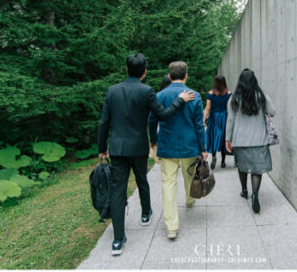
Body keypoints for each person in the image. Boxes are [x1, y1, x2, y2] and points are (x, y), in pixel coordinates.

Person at [97, 53, 193, 256]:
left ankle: (117, 240)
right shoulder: (147, 91)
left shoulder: (112, 91)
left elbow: (104, 122)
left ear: (126, 69)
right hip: (139, 147)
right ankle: (145, 213)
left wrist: (101, 149)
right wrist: (180, 100)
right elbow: (164, 115)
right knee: (142, 180)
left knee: (118, 190)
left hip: (117, 148)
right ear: (144, 72)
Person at [148, 61, 207, 240]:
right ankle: (190, 199)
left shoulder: (159, 96)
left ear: (170, 75)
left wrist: (154, 141)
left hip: (167, 145)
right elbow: (199, 125)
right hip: (190, 145)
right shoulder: (194, 96)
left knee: (168, 183)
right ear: (186, 75)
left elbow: (152, 120)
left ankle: (171, 227)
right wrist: (203, 148)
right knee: (190, 175)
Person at [225, 68, 276, 213]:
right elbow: (272, 112)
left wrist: (227, 139)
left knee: (242, 166)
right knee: (257, 169)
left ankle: (244, 190)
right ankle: (255, 194)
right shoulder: (261, 96)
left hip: (240, 141)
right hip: (259, 140)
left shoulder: (233, 98)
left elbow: (230, 120)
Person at [203, 75, 231, 169]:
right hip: (224, 118)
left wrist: (204, 119)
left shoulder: (211, 94)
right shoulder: (229, 93)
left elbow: (207, 108)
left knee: (214, 136)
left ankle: (214, 156)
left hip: (214, 117)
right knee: (224, 138)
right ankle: (223, 161)